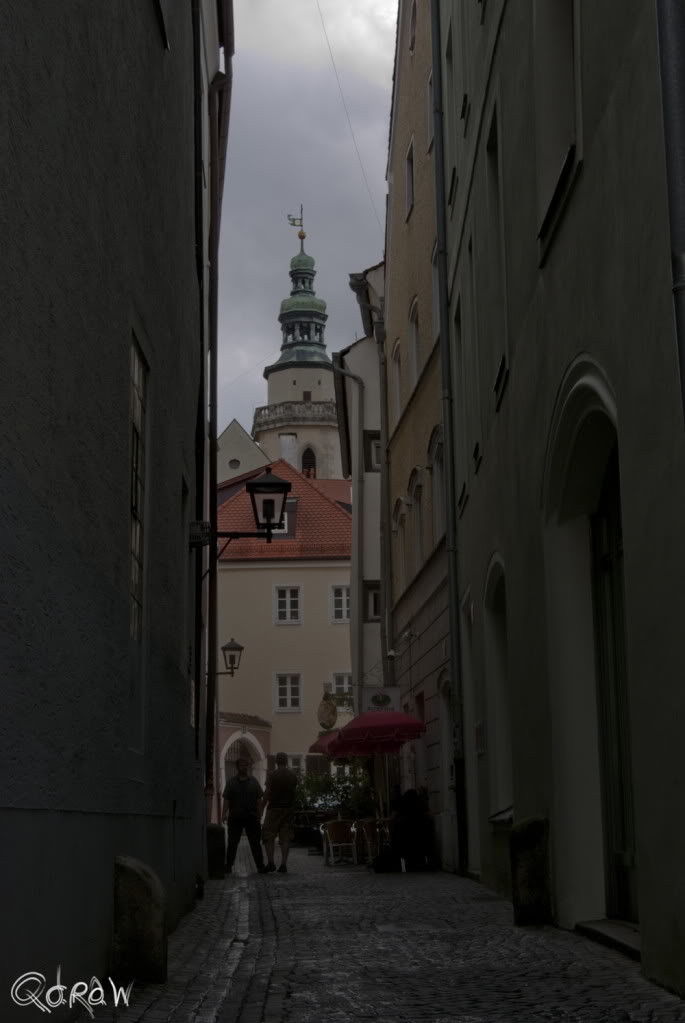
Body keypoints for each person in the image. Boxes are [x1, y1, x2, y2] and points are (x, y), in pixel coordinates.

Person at [222, 757, 268, 875]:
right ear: (237, 767)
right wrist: (224, 813)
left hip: (251, 816)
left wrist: (260, 813)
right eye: (242, 765)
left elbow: (259, 799)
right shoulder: (231, 782)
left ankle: (260, 866)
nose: (244, 767)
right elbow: (226, 799)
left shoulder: (254, 781)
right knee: (232, 843)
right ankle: (228, 866)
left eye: (246, 765)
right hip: (235, 817)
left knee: (255, 843)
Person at [261, 752, 298, 873]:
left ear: (276, 761)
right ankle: (283, 864)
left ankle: (271, 863)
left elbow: (267, 792)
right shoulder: (293, 775)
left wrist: (261, 808)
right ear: (286, 761)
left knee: (268, 835)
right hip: (288, 809)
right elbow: (294, 793)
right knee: (285, 837)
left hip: (274, 809)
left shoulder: (272, 775)